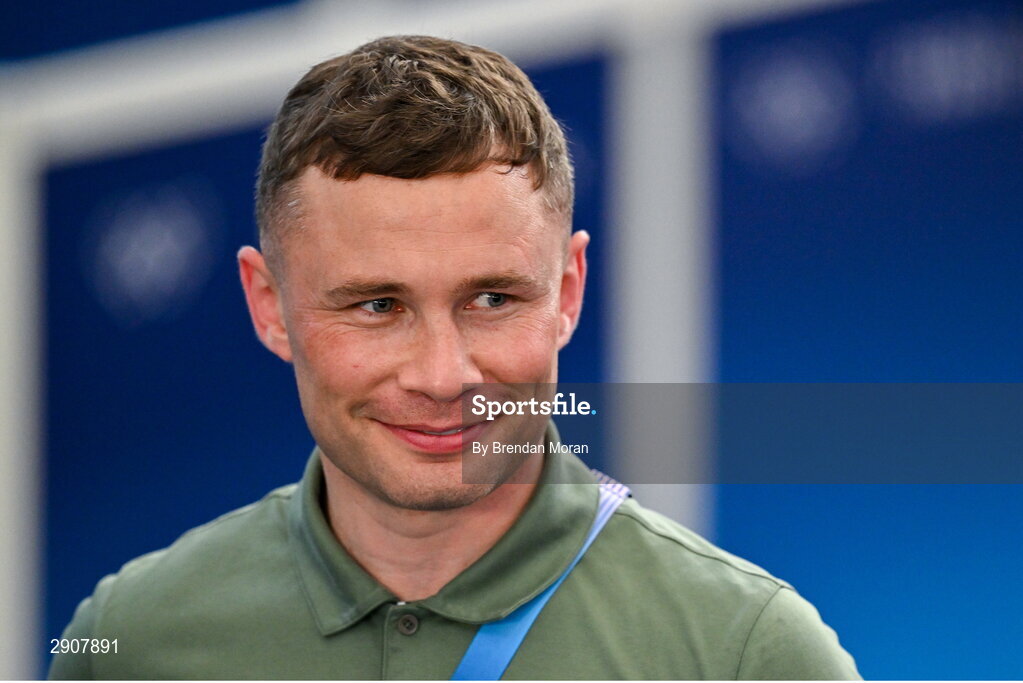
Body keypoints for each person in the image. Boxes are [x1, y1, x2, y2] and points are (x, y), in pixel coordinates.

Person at [49, 35, 859, 679]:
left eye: (491, 299)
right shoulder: (131, 640)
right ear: (270, 306)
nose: (443, 376)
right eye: (377, 305)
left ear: (568, 291)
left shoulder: (744, 656)